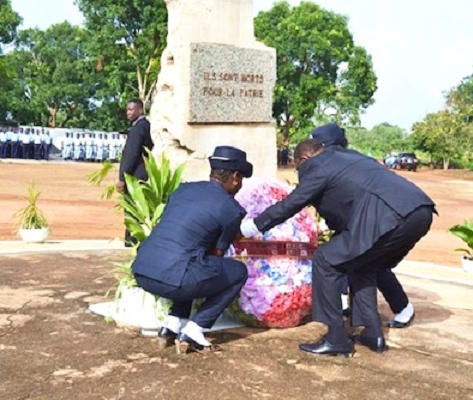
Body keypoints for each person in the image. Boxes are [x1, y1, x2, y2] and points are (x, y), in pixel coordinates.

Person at [240, 139, 435, 357]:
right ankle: (373, 333)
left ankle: (336, 339)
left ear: (304, 159)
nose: (299, 172)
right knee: (362, 264)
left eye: (297, 167)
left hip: (387, 216)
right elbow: (349, 197)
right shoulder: (348, 157)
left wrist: (251, 227)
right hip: (420, 210)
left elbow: (293, 203)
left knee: (325, 260)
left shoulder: (317, 165)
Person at [132, 146, 252, 354]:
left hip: (143, 270)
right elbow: (216, 256)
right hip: (174, 279)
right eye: (241, 180)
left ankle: (172, 324)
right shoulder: (231, 209)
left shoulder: (183, 190)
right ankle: (195, 330)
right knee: (236, 272)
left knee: (191, 261)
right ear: (235, 176)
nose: (240, 185)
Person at [311, 124, 417, 329]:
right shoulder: (350, 159)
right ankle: (372, 315)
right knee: (359, 260)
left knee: (366, 262)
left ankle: (397, 309)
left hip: (375, 219)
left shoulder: (341, 162)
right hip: (363, 219)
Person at [117, 99, 154, 247]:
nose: (128, 113)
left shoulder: (138, 128)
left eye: (131, 110)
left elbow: (131, 155)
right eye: (127, 110)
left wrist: (122, 177)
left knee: (132, 208)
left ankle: (131, 240)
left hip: (135, 175)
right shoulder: (146, 126)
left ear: (140, 110)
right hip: (144, 173)